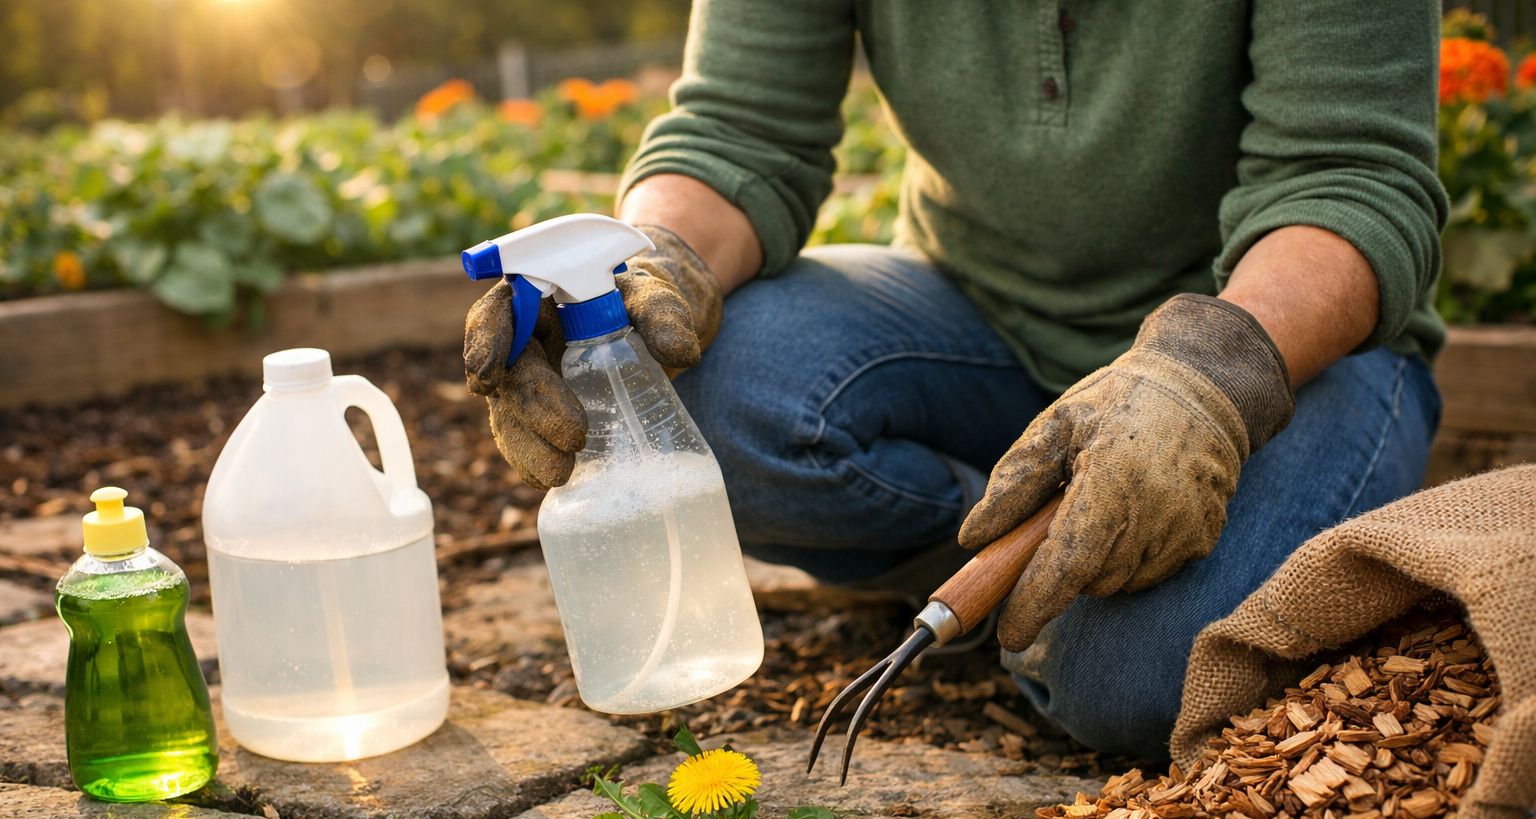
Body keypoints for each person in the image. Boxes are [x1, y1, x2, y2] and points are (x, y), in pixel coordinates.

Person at [463, 1, 1445, 760]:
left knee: (1129, 675)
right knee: (703, 406)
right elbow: (736, 132)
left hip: (1276, 349)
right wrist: (645, 269)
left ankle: (1068, 580)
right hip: (980, 318)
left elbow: (1348, 180)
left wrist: (1203, 383)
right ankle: (1034, 541)